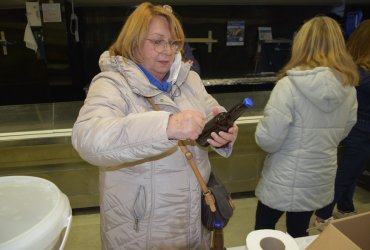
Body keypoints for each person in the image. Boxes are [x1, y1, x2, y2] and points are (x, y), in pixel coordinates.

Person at [71, 2, 238, 250]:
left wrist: (224, 134)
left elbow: (212, 111)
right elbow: (88, 138)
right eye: (157, 41)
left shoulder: (188, 79)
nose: (167, 51)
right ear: (134, 41)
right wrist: (166, 126)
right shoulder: (112, 83)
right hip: (142, 232)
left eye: (173, 43)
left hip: (195, 224)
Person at [253, 16, 359, 238]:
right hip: (319, 176)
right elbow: (344, 132)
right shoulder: (349, 88)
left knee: (263, 233)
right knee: (299, 234)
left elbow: (269, 140)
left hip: (283, 178)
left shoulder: (288, 85)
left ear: (301, 44)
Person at [314, 19, 370, 228]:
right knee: (345, 175)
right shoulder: (362, 74)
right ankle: (323, 215)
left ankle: (345, 207)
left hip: (352, 130)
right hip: (360, 132)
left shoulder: (350, 69)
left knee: (350, 173)